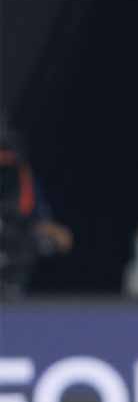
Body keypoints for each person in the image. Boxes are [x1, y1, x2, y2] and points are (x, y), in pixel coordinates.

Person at [0, 113, 73, 299]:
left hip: (14, 240)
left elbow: (40, 219)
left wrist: (54, 231)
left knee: (44, 241)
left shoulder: (22, 177)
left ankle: (11, 285)